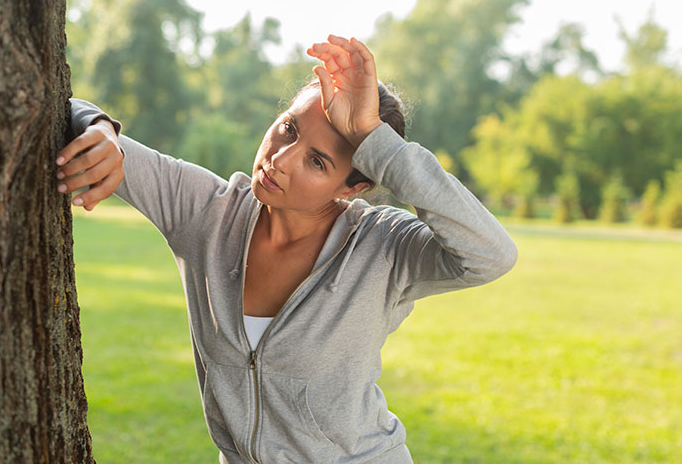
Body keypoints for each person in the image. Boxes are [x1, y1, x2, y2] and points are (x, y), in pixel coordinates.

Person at [58, 35, 517, 463]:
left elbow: (490, 254)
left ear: (353, 186)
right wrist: (100, 129)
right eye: (288, 128)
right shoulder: (205, 212)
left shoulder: (385, 248)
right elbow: (68, 109)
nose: (280, 159)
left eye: (317, 161)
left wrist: (377, 140)